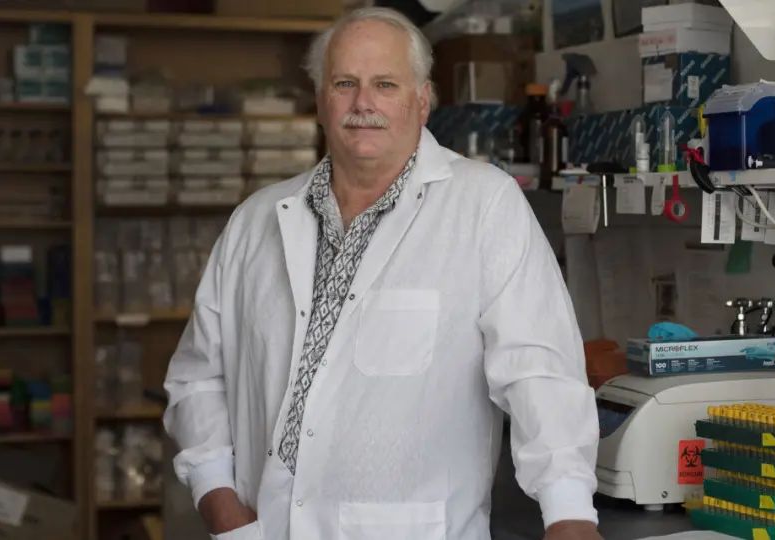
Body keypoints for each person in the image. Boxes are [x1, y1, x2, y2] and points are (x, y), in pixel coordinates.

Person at [163, 7, 601, 540]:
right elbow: (198, 375)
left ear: (422, 100)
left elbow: (539, 371)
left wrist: (569, 513)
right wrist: (216, 496)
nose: (363, 103)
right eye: (344, 83)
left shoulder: (483, 205)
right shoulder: (255, 222)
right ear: (320, 100)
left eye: (385, 84)